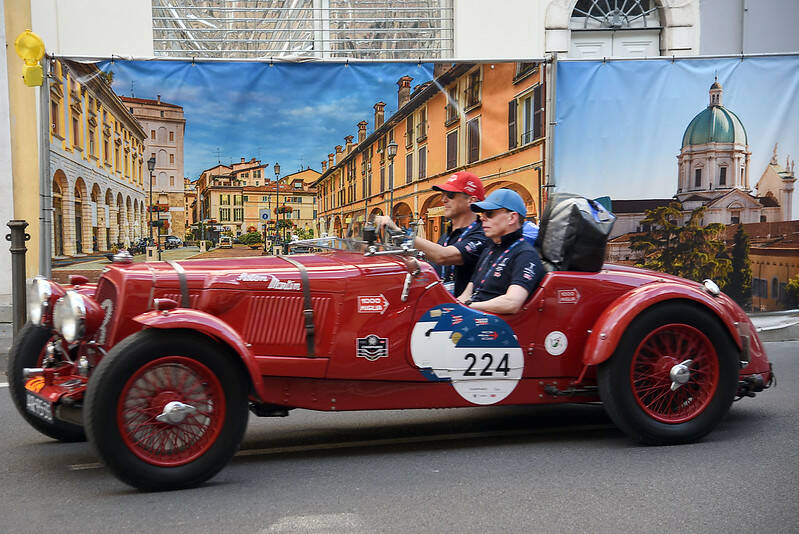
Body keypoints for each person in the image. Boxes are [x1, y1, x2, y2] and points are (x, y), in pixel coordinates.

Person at [374, 171, 490, 296]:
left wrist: (399, 232)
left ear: (471, 201)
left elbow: (443, 256)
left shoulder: (481, 235)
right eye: (443, 194)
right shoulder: (447, 237)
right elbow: (434, 268)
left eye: (450, 195)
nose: (443, 199)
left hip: (464, 311)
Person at [457, 189, 544, 315]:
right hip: (475, 320)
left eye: (490, 214)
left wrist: (470, 307)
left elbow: (512, 302)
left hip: (497, 328)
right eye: (482, 214)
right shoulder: (489, 250)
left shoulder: (526, 254)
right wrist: (452, 307)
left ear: (512, 218)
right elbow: (467, 293)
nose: (482, 218)